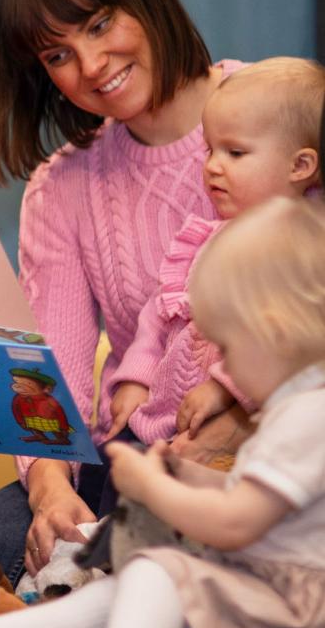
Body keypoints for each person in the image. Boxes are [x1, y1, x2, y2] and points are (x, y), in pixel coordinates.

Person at [0, 0, 246, 599]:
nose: (91, 65)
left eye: (98, 25)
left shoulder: (272, 111)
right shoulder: (62, 188)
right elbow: (48, 384)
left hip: (268, 448)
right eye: (57, 55)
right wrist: (47, 492)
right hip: (125, 460)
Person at [0, 196, 325, 628]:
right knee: (126, 578)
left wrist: (152, 487)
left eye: (227, 347)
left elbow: (236, 520)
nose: (221, 368)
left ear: (275, 333)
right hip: (260, 578)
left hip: (285, 598)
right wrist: (175, 471)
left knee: (150, 570)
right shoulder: (295, 409)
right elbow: (253, 493)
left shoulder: (305, 418)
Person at [108, 58, 324, 443]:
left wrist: (224, 388)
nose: (212, 166)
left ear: (301, 165)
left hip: (234, 431)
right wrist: (136, 379)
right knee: (114, 473)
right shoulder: (205, 239)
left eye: (235, 153)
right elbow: (159, 318)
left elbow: (288, 340)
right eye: (210, 150)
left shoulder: (302, 253)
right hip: (156, 421)